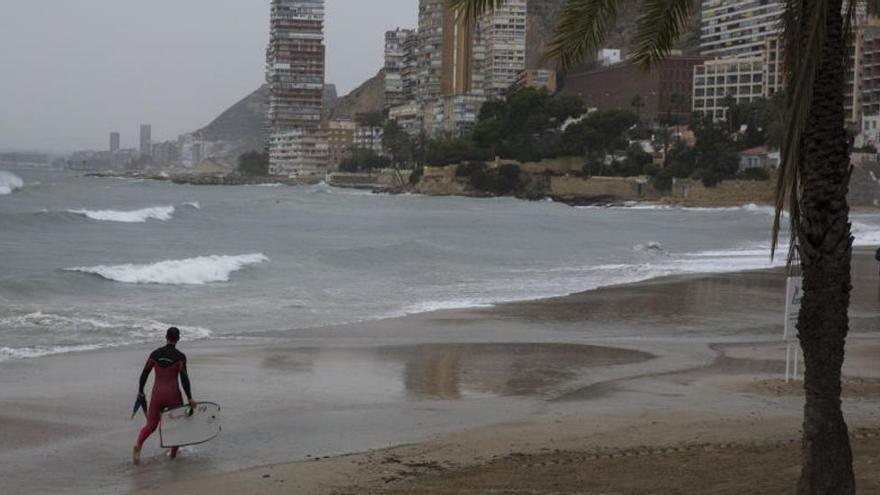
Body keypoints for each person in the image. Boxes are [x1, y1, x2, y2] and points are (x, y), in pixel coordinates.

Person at [132, 327, 195, 465]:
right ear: (178, 339)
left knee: (151, 425)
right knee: (176, 426)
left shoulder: (155, 354)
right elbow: (184, 379)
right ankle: (172, 455)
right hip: (173, 395)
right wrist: (190, 397)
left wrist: (141, 391)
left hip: (157, 395)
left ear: (165, 337)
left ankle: (138, 444)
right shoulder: (180, 357)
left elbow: (144, 374)